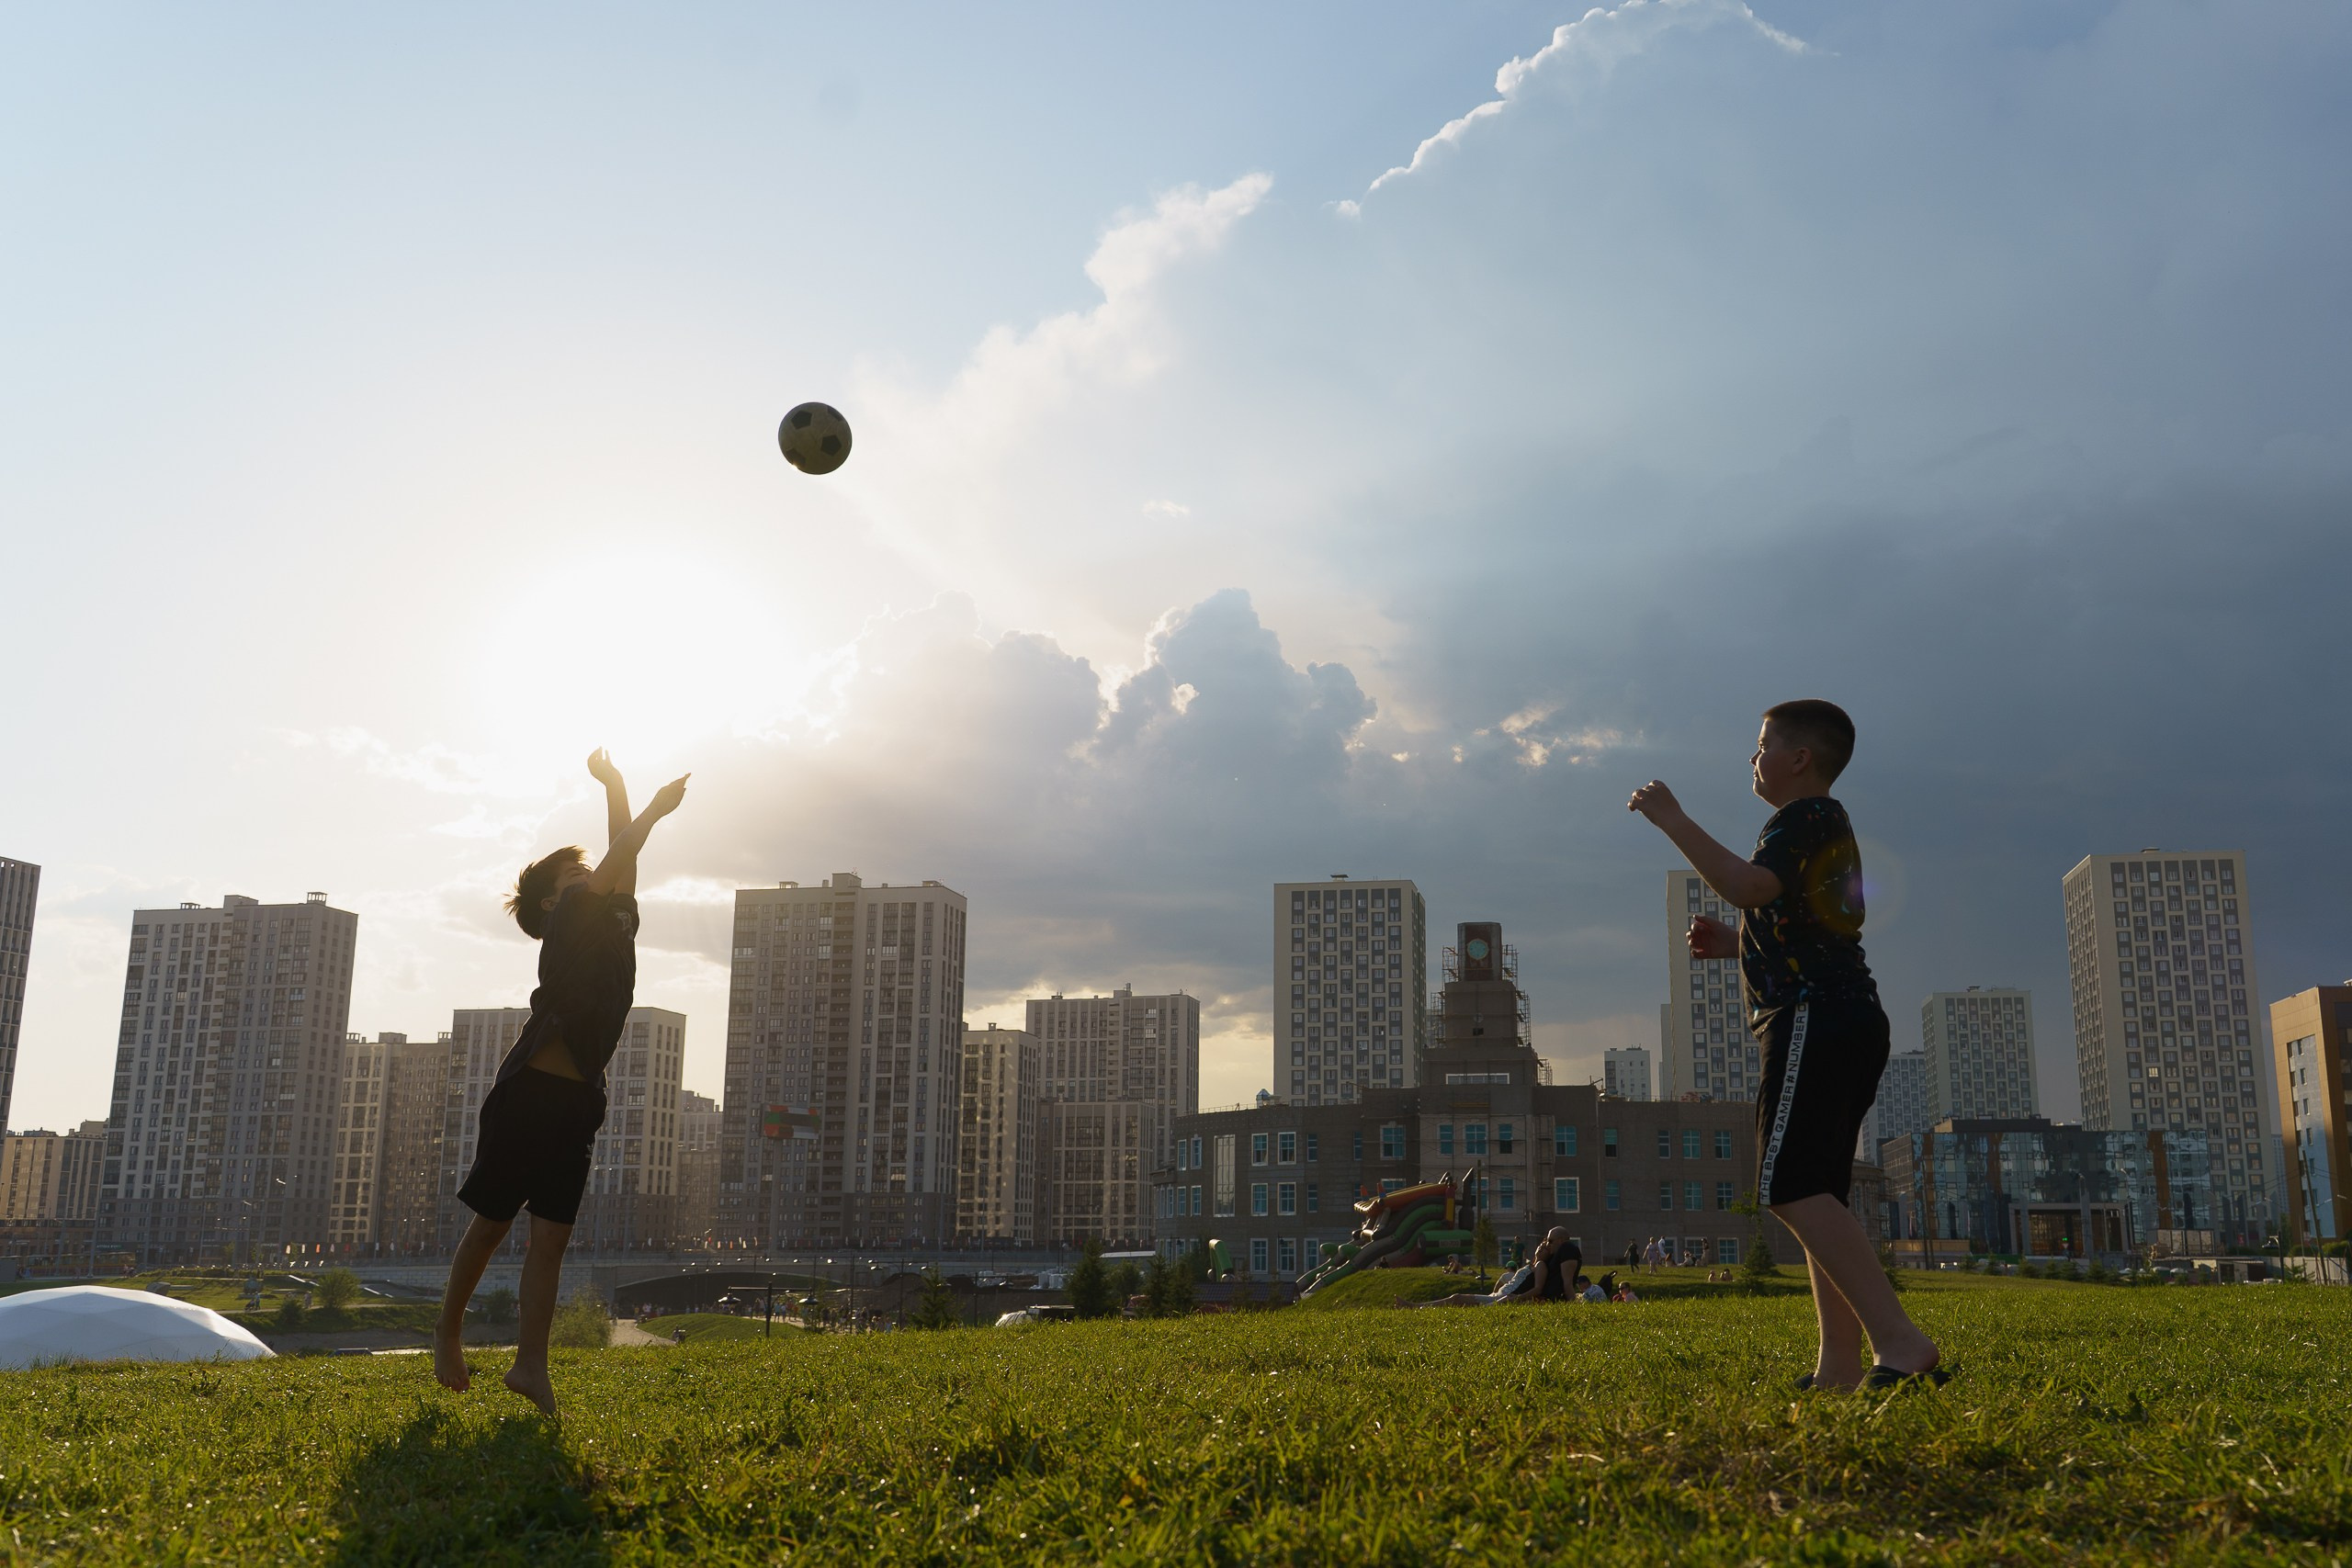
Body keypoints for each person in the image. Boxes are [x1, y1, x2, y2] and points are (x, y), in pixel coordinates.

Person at [1631, 701, 1944, 1393]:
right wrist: (1734, 945)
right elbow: (1805, 924)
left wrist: (1672, 818)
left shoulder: (1803, 818)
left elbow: (1749, 885)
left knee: (1788, 1185)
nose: (1753, 757)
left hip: (1813, 1016)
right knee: (1818, 1190)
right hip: (1846, 1017)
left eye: (1763, 744)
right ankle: (1838, 1364)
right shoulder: (1822, 827)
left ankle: (1900, 1339)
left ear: (1800, 758)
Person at [432, 750, 689, 1414]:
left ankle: (531, 1366)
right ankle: (448, 1332)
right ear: (554, 899)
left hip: (578, 1102)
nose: (588, 871)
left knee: (551, 1239)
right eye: (574, 871)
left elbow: (621, 859)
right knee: (491, 1226)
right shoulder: (572, 914)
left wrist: (619, 787)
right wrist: (653, 809)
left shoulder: (612, 916)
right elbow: (619, 856)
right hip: (531, 1094)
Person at [1419, 1228, 1583, 1306]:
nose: (1545, 1245)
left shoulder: (1560, 1254)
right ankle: (1417, 1306)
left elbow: (1562, 1284)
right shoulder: (1542, 1262)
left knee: (1457, 1299)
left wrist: (1574, 1305)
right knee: (1457, 1299)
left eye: (1549, 1242)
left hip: (1506, 1297)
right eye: (1543, 1244)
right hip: (1501, 1294)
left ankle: (1417, 1307)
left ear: (1561, 1240)